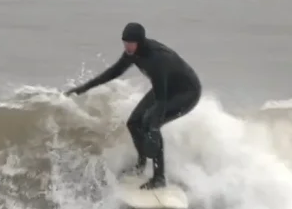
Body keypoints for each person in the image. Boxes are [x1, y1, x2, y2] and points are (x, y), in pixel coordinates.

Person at [64, 22, 202, 190]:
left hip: (187, 93)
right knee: (134, 123)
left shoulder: (157, 59)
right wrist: (83, 88)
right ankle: (141, 164)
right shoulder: (132, 53)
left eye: (131, 43)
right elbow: (113, 72)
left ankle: (159, 178)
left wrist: (153, 129)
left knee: (151, 122)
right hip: (168, 88)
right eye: (125, 43)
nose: (127, 47)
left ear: (140, 42)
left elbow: (161, 100)